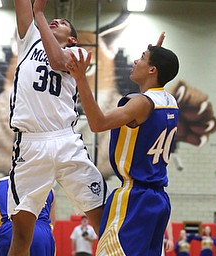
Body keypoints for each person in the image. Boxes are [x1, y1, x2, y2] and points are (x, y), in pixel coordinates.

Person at [8, 0, 108, 255]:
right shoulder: (29, 39)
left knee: (103, 222)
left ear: (73, 39)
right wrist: (34, 12)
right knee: (20, 234)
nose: (56, 21)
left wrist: (40, 13)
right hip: (30, 144)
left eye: (62, 23)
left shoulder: (79, 55)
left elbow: (56, 60)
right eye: (54, 21)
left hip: (65, 141)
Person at [66, 34, 179, 255]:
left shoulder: (140, 104)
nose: (136, 61)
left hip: (134, 198)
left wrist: (80, 78)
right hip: (159, 201)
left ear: (152, 70)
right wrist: (157, 55)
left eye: (142, 58)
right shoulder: (170, 101)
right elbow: (153, 92)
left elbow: (98, 123)